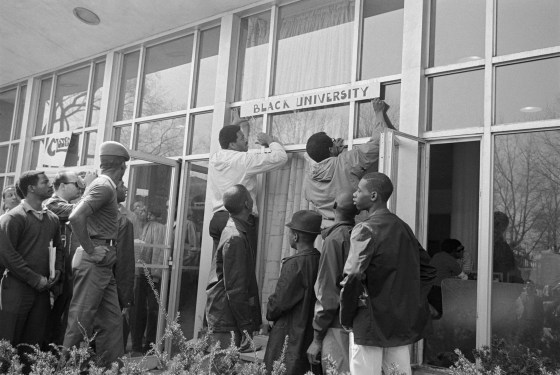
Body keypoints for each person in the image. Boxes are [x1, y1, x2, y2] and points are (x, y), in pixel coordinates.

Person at [340, 172, 436, 375]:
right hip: (397, 321)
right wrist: (409, 302)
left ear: (373, 196)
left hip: (369, 321)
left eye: (359, 190)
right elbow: (428, 270)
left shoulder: (365, 229)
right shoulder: (403, 228)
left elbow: (353, 276)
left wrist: (346, 316)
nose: (354, 194)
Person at [63, 141, 130, 367]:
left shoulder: (103, 185)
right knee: (80, 322)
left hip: (103, 263)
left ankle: (110, 370)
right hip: (95, 260)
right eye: (125, 167)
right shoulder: (104, 186)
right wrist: (92, 250)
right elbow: (75, 217)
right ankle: (66, 369)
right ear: (121, 166)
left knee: (112, 324)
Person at [0, 171, 63, 366]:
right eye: (45, 182)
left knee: (33, 347)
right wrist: (36, 279)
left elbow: (59, 250)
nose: (50, 184)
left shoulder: (52, 218)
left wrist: (57, 271)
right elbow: (8, 256)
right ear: (31, 188)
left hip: (42, 293)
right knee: (8, 344)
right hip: (16, 291)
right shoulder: (13, 218)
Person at [304, 98, 393, 225]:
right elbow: (379, 141)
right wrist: (379, 113)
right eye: (333, 142)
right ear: (330, 149)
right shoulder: (345, 161)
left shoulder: (309, 178)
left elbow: (332, 182)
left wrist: (336, 156)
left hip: (328, 228)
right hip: (352, 228)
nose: (337, 142)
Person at [208, 120, 288, 252]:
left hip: (218, 220)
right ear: (232, 144)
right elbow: (280, 157)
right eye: (242, 138)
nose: (246, 140)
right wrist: (270, 141)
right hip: (237, 222)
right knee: (241, 266)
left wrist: (235, 124)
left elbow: (225, 142)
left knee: (221, 268)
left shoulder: (215, 158)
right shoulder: (243, 160)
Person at [264, 210, 322, 375]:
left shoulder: (294, 264)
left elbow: (278, 304)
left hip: (288, 336)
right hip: (309, 334)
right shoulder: (320, 259)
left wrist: (269, 312)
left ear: (295, 236)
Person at [306, 192, 358, 373]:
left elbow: (327, 292)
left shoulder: (335, 239)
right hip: (358, 324)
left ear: (334, 205)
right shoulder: (359, 235)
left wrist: (317, 338)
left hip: (336, 325)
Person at [205, 184, 261, 350]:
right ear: (246, 204)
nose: (252, 200)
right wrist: (246, 326)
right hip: (226, 318)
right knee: (221, 367)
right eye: (250, 197)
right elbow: (235, 288)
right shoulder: (234, 236)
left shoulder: (236, 230)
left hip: (227, 315)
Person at [43, 171, 86, 346]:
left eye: (82, 186)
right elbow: (79, 210)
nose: (81, 189)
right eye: (77, 185)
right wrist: (92, 188)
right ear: (61, 186)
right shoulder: (52, 205)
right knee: (51, 322)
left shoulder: (65, 205)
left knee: (62, 322)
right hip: (55, 276)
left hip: (67, 275)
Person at [131, 206, 166, 355]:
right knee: (137, 309)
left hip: (149, 272)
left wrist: (156, 273)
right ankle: (137, 344)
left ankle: (150, 344)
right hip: (139, 273)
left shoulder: (157, 227)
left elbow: (158, 251)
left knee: (151, 309)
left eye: (145, 208)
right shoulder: (134, 225)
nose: (142, 211)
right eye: (137, 207)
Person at [115, 181, 135, 351]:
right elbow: (124, 264)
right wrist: (125, 300)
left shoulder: (127, 218)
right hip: (111, 292)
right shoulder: (122, 222)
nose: (126, 188)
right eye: (121, 184)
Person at [427, 238, 468, 318]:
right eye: (461, 249)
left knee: (434, 315)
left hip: (428, 289)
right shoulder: (450, 260)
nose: (463, 251)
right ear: (453, 251)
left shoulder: (437, 256)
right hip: (439, 291)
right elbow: (464, 278)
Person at [493, 211, 522, 283]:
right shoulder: (488, 244)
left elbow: (511, 268)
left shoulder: (503, 245)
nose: (502, 231)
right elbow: (504, 269)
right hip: (500, 284)